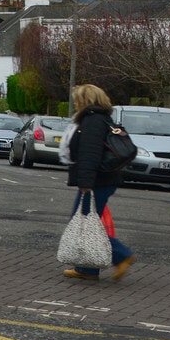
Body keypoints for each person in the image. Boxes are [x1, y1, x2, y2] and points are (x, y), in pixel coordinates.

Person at [63, 83, 135, 281]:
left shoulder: (92, 121)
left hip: (95, 182)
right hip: (102, 180)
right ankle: (88, 269)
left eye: (77, 99)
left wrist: (86, 183)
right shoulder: (103, 119)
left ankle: (122, 255)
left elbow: (90, 154)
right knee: (86, 221)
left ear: (85, 101)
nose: (75, 103)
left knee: (84, 223)